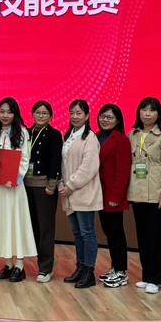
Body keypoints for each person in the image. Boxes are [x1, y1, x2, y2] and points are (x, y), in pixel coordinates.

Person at [0, 97, 36, 283]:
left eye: (9, 112)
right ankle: (8, 263)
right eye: (2, 111)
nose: (5, 115)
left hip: (14, 187)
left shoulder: (23, 133)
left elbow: (25, 159)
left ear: (15, 114)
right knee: (2, 221)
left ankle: (19, 264)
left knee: (15, 221)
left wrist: (15, 178)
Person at [127, 97, 161, 294]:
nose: (147, 114)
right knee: (143, 236)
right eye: (144, 109)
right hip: (137, 191)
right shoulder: (133, 134)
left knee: (156, 237)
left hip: (157, 193)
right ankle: (147, 275)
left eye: (152, 110)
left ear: (158, 114)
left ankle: (156, 279)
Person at [55, 100, 101, 289]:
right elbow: (64, 164)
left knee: (87, 233)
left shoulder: (90, 137)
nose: (75, 116)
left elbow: (89, 167)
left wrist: (71, 185)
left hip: (84, 193)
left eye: (79, 113)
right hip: (69, 193)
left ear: (87, 115)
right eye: (72, 113)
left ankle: (89, 272)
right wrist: (62, 183)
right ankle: (80, 268)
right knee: (77, 233)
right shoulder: (69, 135)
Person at [24, 100, 62, 283]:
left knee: (46, 227)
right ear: (32, 114)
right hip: (26, 186)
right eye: (38, 112)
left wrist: (51, 185)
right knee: (33, 226)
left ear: (51, 116)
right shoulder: (26, 133)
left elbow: (56, 160)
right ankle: (44, 261)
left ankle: (45, 268)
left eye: (44, 113)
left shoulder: (54, 135)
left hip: (44, 186)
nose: (40, 116)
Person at [95, 103, 132, 288]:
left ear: (117, 120)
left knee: (116, 233)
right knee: (108, 232)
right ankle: (115, 266)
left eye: (110, 117)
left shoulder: (121, 139)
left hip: (112, 195)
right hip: (98, 193)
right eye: (103, 116)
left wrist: (116, 196)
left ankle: (121, 271)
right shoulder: (96, 136)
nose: (105, 120)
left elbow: (123, 171)